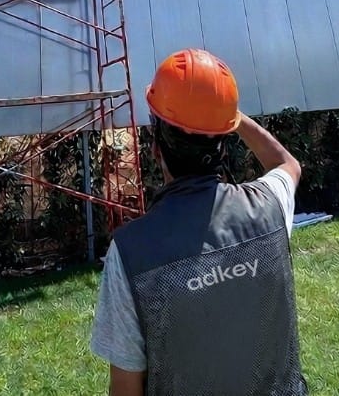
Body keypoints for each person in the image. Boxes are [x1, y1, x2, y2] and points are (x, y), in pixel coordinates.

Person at [91, 49, 307, 396]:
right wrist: (230, 116)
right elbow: (288, 164)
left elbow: (125, 390)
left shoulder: (131, 253)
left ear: (156, 147)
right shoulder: (269, 209)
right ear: (225, 142)